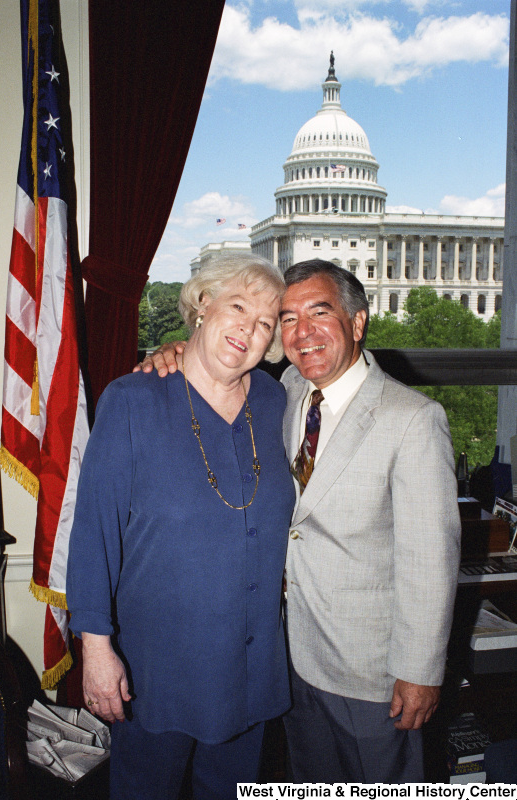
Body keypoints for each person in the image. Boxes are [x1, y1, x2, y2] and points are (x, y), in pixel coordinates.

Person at [144, 259, 461, 784]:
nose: (302, 332)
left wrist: (420, 672)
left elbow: (430, 560)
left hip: (373, 672)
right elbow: (215, 370)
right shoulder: (282, 390)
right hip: (287, 660)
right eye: (286, 319)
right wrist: (176, 351)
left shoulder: (413, 420)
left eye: (320, 312)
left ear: (358, 322)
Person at [66, 254, 296, 800]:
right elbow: (93, 536)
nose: (248, 328)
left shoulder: (274, 400)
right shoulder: (132, 401)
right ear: (202, 305)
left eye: (265, 323)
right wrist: (97, 652)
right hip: (158, 673)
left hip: (251, 667)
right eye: (238, 306)